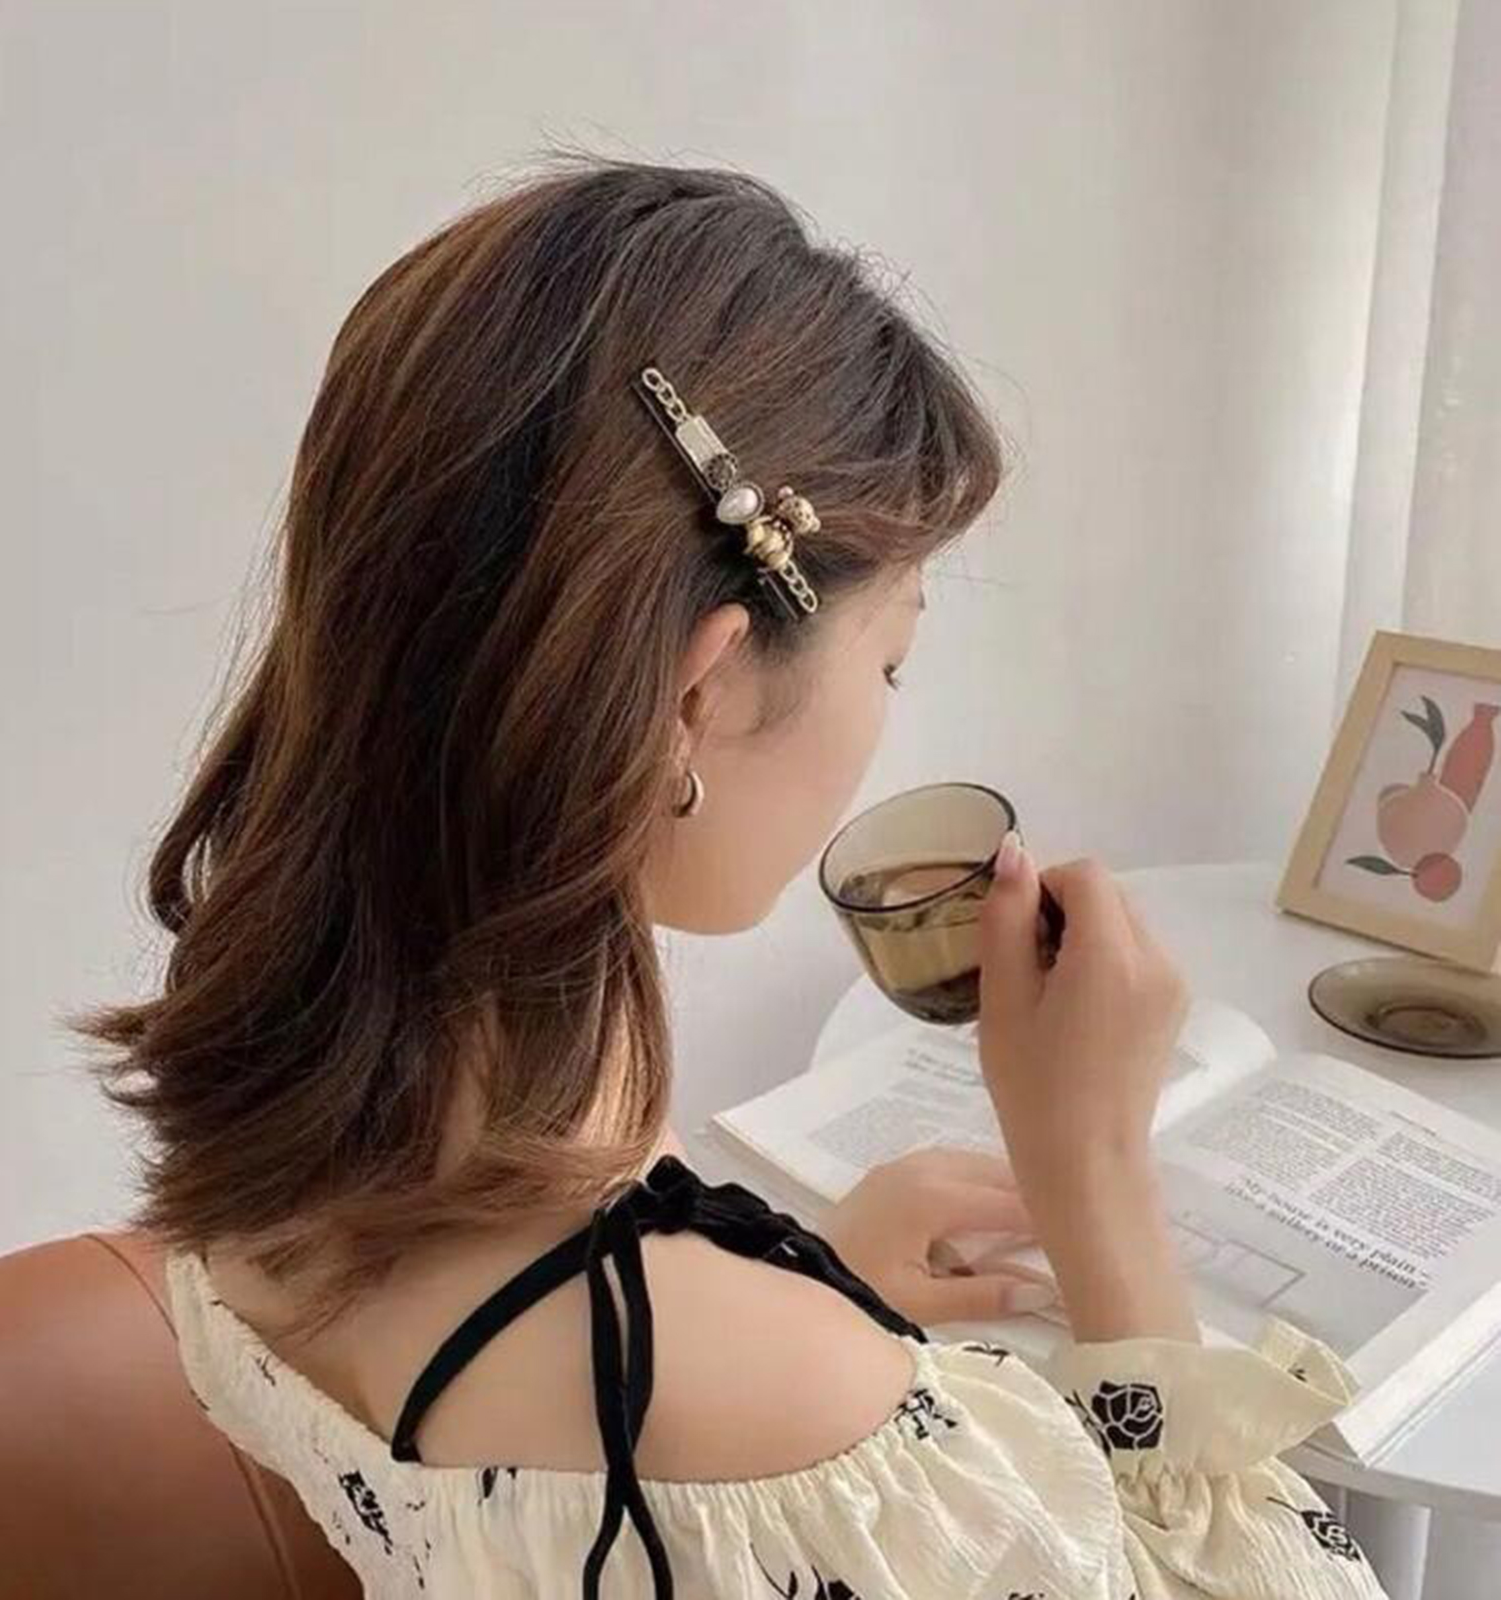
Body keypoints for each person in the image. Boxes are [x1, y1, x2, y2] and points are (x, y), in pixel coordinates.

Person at [72, 156, 1389, 1598]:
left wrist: (814, 1276)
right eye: (894, 660)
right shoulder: (780, 1418)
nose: (886, 717)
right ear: (695, 697)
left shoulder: (277, 1124)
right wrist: (1095, 1170)